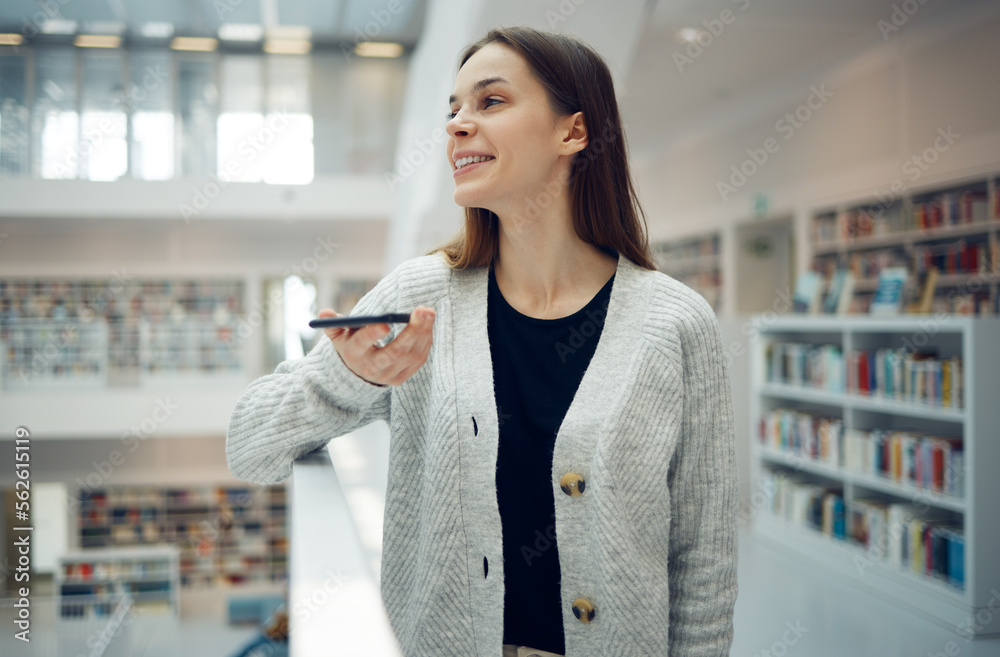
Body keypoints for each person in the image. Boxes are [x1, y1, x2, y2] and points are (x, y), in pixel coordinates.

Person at [227, 26, 737, 657]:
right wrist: (349, 378)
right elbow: (250, 445)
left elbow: (704, 557)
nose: (457, 125)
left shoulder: (676, 324)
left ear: (573, 133)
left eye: (490, 102)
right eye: (453, 109)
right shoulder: (423, 297)